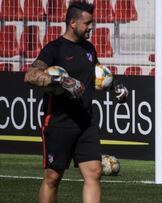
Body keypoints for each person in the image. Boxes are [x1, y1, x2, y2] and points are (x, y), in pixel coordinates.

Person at [24, 2, 128, 203]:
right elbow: (30, 75)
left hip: (86, 123)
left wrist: (115, 87)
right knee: (53, 178)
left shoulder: (89, 48)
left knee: (94, 173)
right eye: (87, 23)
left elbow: (97, 76)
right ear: (73, 23)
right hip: (59, 122)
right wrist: (61, 80)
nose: (91, 27)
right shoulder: (54, 48)